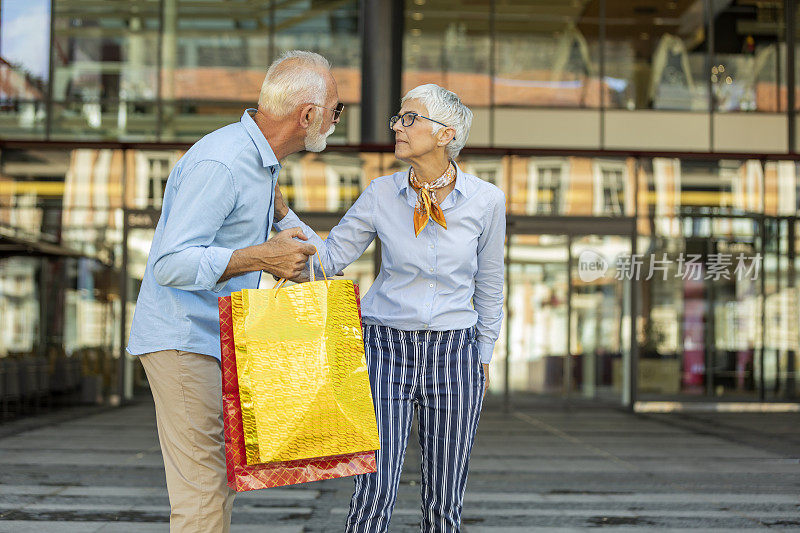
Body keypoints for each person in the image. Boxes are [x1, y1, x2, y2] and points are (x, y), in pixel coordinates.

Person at [126, 50, 342, 533]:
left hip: (216, 340)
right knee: (203, 487)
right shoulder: (224, 163)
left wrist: (282, 217)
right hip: (184, 340)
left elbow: (319, 262)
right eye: (336, 108)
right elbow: (170, 263)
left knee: (217, 481)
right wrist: (260, 257)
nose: (335, 119)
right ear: (308, 115)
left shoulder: (260, 166)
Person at [273, 83, 506, 532]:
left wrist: (484, 353)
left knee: (444, 500)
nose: (397, 127)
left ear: (445, 134)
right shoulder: (382, 194)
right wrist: (284, 215)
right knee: (372, 494)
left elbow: (490, 283)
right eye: (399, 118)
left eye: (410, 118)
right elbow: (328, 260)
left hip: (456, 353)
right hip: (384, 349)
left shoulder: (486, 200)